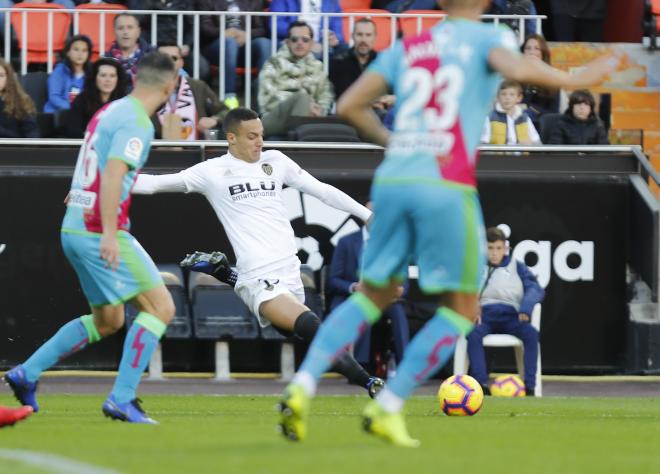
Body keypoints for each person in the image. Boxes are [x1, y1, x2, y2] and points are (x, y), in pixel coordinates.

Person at [277, 0, 617, 447]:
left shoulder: (411, 44)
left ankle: (301, 387)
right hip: (446, 182)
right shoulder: (488, 37)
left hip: (394, 178)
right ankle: (389, 404)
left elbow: (350, 104)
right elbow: (512, 64)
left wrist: (395, 140)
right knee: (461, 310)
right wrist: (573, 78)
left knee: (374, 294)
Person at [132, 107, 385, 398]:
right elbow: (152, 184)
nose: (260, 142)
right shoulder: (212, 171)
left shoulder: (275, 161)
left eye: (261, 135)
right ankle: (370, 382)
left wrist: (366, 215)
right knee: (315, 328)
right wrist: (100, 185)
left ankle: (227, 275)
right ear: (231, 138)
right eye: (252, 136)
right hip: (259, 275)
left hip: (291, 270)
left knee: (297, 331)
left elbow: (322, 190)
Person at [4, 52, 179, 424]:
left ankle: (26, 372)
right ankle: (122, 398)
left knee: (109, 320)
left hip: (74, 225)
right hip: (99, 229)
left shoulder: (111, 110)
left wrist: (80, 193)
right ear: (170, 85)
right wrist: (112, 235)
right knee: (161, 308)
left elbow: (90, 159)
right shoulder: (138, 122)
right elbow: (114, 172)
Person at [467, 227, 544, 396]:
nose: (494, 253)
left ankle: (529, 387)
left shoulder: (518, 267)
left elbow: (535, 289)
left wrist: (526, 306)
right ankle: (480, 385)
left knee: (531, 333)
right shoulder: (475, 267)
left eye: (498, 248)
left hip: (512, 317)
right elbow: (463, 291)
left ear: (506, 249)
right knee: (472, 334)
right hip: (484, 316)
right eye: (490, 248)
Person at [327, 217, 409, 368]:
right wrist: (354, 287)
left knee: (397, 311)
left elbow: (403, 279)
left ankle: (406, 366)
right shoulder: (347, 242)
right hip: (353, 297)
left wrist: (400, 289)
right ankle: (361, 366)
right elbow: (333, 279)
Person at [257, 21, 334, 137]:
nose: (299, 43)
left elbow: (325, 95)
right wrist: (304, 105)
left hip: (309, 119)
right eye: (294, 39)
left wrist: (320, 111)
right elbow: (268, 98)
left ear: (312, 43)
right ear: (287, 42)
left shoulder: (318, 66)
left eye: (305, 39)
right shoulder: (274, 63)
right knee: (302, 97)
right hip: (274, 118)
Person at [197, 0, 272, 110]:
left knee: (264, 43)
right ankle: (229, 96)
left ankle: (265, 95)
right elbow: (204, 27)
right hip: (216, 47)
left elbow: (260, 28)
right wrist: (223, 32)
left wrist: (247, 34)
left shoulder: (253, 1)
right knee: (230, 42)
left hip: (244, 45)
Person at [154, 43, 229, 140]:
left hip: (195, 151)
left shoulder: (198, 87)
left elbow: (226, 112)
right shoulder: (145, 89)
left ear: (181, 63)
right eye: (164, 58)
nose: (168, 62)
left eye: (174, 58)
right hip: (156, 152)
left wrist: (214, 120)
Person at [59, 58, 129, 138]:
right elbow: (73, 131)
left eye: (112, 76)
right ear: (94, 78)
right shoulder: (82, 100)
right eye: (103, 75)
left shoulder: (125, 102)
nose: (108, 80)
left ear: (118, 79)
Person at [270, 0, 345, 56]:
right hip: (292, 41)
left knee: (345, 49)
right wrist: (303, 38)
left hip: (321, 44)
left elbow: (338, 34)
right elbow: (275, 24)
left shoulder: (332, 1)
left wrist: (334, 39)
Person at [481, 79, 541, 145]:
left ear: (519, 98)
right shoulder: (490, 118)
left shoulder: (525, 118)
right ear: (498, 97)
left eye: (512, 94)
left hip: (521, 154)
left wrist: (530, 144)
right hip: (498, 154)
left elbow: (537, 142)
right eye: (503, 94)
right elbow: (484, 143)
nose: (507, 98)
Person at [44, 34, 92, 113]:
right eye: (76, 49)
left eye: (84, 50)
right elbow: (54, 97)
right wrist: (74, 108)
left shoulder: (91, 74)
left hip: (81, 115)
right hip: (57, 115)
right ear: (68, 53)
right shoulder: (59, 71)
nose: (80, 54)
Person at [519, 34, 560, 128]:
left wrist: (532, 109)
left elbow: (554, 112)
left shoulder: (552, 78)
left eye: (536, 48)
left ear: (543, 53)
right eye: (528, 48)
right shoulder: (514, 75)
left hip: (542, 125)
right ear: (523, 52)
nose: (531, 52)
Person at [104, 13, 155, 88]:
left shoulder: (154, 57)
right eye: (121, 28)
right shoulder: (105, 60)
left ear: (138, 31)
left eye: (130, 27)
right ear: (114, 32)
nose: (125, 32)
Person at [0, 59, 39, 138]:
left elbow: (32, 135)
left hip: (12, 149)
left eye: (1, 75)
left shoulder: (21, 102)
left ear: (8, 78)